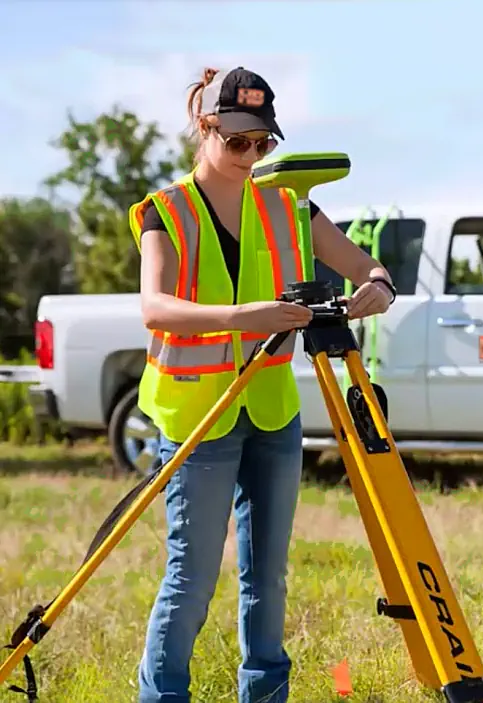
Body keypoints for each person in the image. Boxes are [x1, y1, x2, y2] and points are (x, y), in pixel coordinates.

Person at [128, 65, 396, 703]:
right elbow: (155, 307)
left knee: (267, 577)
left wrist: (376, 287)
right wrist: (246, 317)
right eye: (238, 141)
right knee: (191, 580)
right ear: (207, 126)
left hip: (272, 411)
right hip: (198, 414)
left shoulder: (287, 201)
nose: (251, 156)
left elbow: (366, 263)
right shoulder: (166, 210)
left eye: (263, 144)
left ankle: (265, 696)